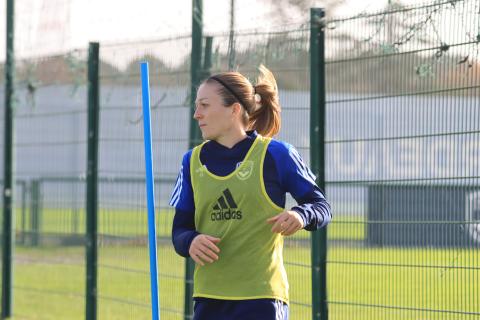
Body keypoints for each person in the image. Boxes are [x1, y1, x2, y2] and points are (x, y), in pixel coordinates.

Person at [169, 65, 332, 320]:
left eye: (204, 105)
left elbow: (321, 206)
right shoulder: (191, 162)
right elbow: (179, 231)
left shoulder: (276, 154)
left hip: (262, 298)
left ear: (234, 109)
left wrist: (301, 215)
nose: (196, 114)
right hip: (209, 299)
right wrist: (191, 241)